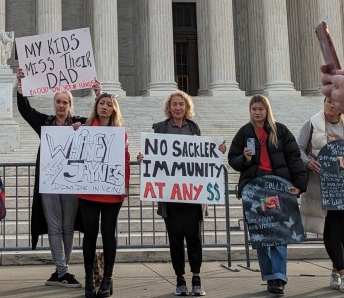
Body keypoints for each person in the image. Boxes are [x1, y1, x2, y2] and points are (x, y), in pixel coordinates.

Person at [136, 90, 226, 297]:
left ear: (187, 107)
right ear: (169, 107)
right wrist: (145, 159)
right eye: (174, 104)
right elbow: (154, 156)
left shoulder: (194, 128)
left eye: (181, 104)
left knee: (194, 239)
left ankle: (196, 278)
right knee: (175, 240)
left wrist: (216, 151)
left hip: (193, 196)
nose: (178, 108)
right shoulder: (160, 129)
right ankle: (179, 280)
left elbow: (201, 158)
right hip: (170, 197)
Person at [16, 68, 100, 289]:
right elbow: (25, 110)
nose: (61, 106)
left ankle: (62, 269)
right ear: (54, 104)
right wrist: (21, 83)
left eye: (65, 102)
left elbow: (101, 120)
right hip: (50, 182)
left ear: (70, 105)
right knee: (54, 226)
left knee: (68, 226)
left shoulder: (80, 122)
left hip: (71, 182)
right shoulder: (45, 123)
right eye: (58, 102)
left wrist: (99, 95)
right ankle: (62, 271)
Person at [228, 94, 307, 295]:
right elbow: (232, 160)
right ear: (250, 110)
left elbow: (294, 158)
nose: (257, 113)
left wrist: (299, 184)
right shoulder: (245, 132)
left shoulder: (280, 130)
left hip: (278, 189)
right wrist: (244, 159)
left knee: (279, 233)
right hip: (255, 190)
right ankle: (269, 276)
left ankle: (279, 277)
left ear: (267, 110)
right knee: (261, 234)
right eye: (254, 109)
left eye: (261, 109)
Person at [76, 92, 130, 298]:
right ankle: (90, 278)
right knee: (89, 234)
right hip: (89, 191)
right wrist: (74, 132)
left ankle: (107, 278)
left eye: (109, 104)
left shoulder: (119, 132)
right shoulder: (85, 128)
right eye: (101, 103)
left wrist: (125, 184)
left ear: (114, 109)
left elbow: (125, 159)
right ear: (96, 106)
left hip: (111, 191)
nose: (105, 107)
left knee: (108, 234)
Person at [297, 97, 344, 291]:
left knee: (342, 230)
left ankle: (335, 271)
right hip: (321, 185)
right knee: (331, 229)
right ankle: (342, 271)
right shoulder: (312, 124)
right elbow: (298, 148)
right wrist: (307, 161)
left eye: (335, 102)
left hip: (342, 184)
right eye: (327, 101)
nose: (330, 105)